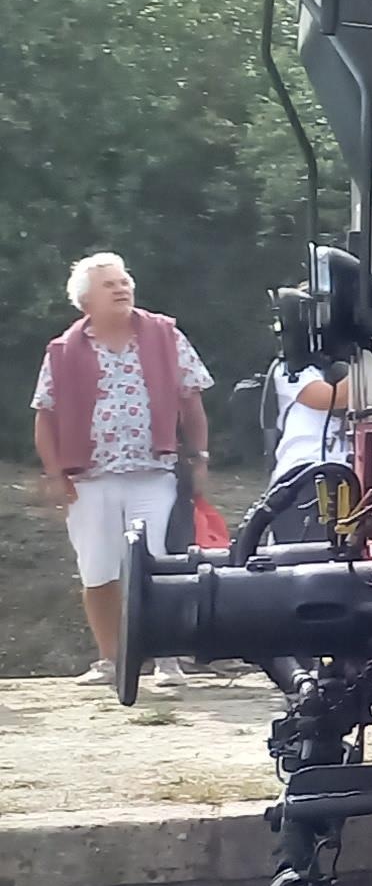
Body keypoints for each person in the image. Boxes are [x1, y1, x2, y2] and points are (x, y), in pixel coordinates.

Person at [30, 253, 208, 685]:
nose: (122, 288)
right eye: (109, 284)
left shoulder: (166, 334)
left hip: (154, 471)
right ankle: (111, 660)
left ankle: (167, 660)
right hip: (90, 479)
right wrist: (55, 474)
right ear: (86, 300)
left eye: (124, 280)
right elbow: (44, 415)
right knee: (98, 568)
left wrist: (200, 457)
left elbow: (192, 401)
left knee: (161, 564)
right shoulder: (62, 350)